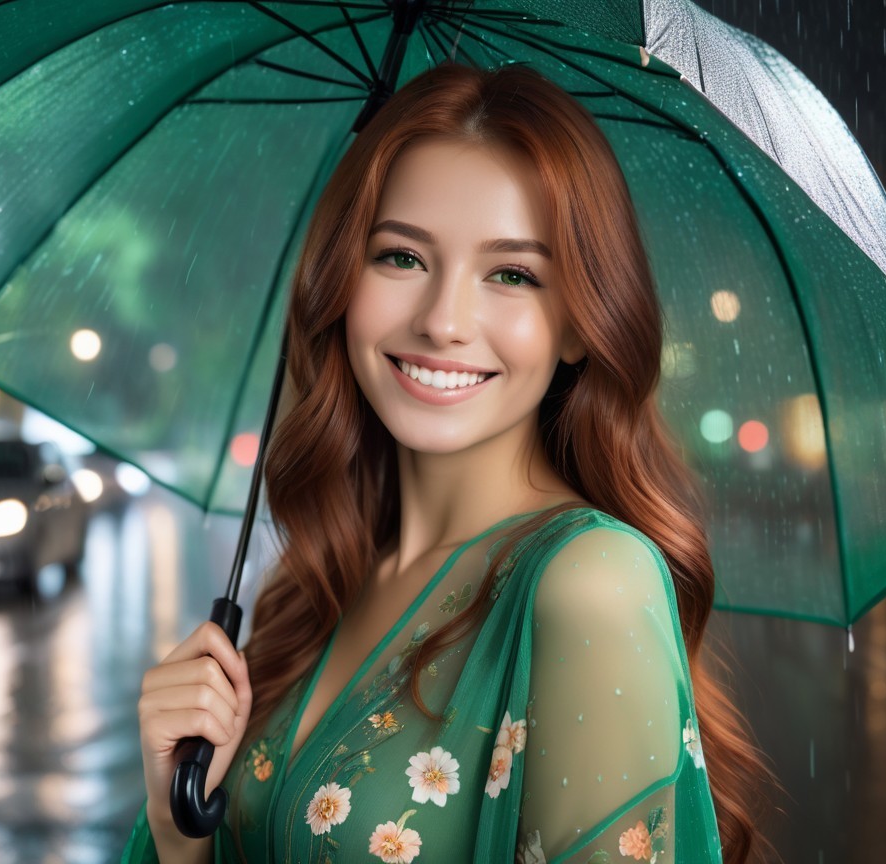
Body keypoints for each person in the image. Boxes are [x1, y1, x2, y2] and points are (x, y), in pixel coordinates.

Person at [123, 62, 767, 864]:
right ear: (341, 281)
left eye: (512, 274)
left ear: (579, 325)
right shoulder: (322, 581)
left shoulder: (590, 583)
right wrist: (174, 827)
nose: (444, 321)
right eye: (402, 258)